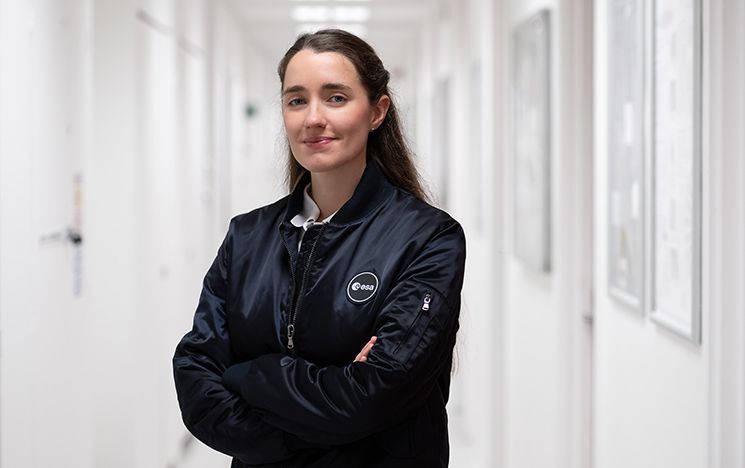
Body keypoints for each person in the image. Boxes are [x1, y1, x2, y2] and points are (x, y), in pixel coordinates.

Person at [173, 29, 466, 468]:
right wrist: (306, 431)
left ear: (377, 111)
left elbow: (373, 396)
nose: (312, 118)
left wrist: (250, 374)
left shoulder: (427, 239)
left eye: (335, 98)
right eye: (296, 100)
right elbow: (196, 377)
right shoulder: (247, 236)